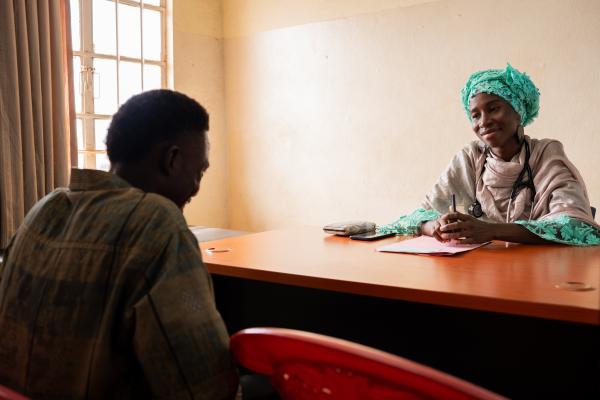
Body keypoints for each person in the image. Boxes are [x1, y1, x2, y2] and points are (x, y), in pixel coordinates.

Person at [0, 90, 240, 399]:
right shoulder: (157, 224)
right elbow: (205, 388)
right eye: (199, 171)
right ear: (172, 159)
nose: (196, 186)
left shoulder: (44, 208)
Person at [379, 64, 600, 245]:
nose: (484, 122)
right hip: (481, 272)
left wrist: (491, 231)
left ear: (518, 112)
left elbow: (576, 226)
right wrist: (435, 226)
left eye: (494, 109)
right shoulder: (470, 157)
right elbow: (416, 217)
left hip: (540, 273)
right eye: (475, 115)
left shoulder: (545, 154)